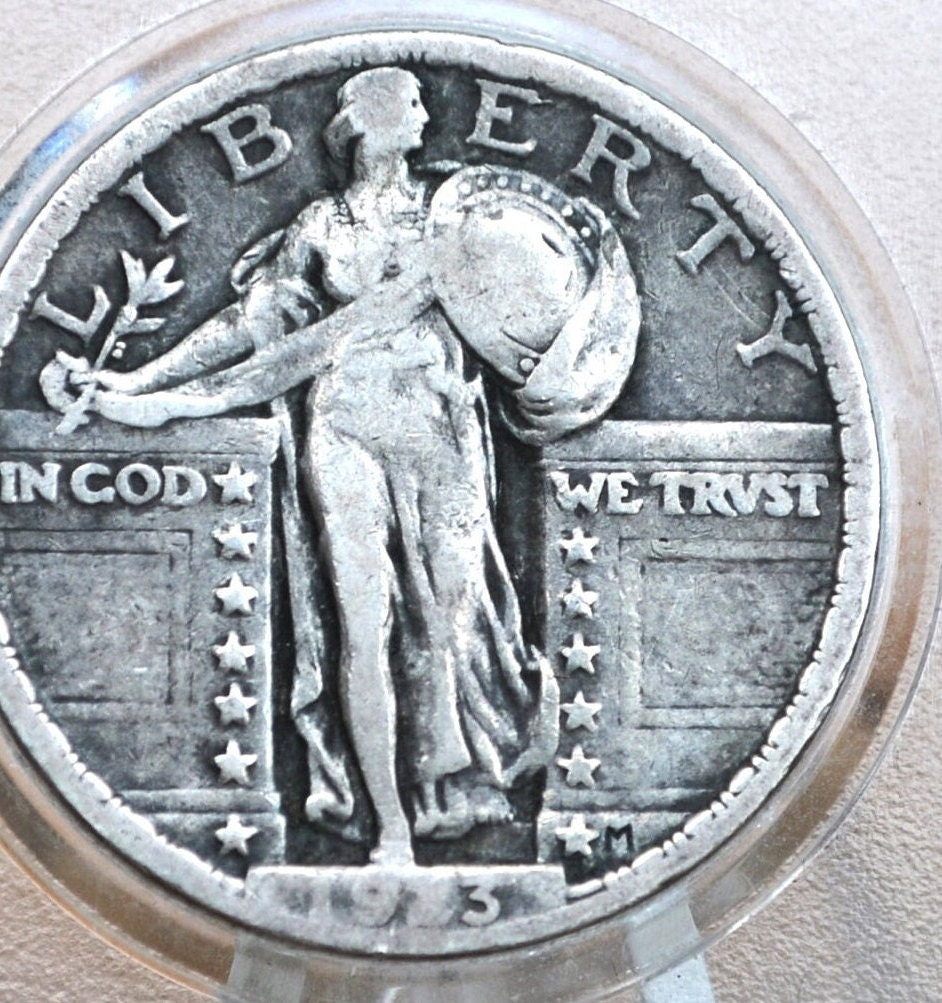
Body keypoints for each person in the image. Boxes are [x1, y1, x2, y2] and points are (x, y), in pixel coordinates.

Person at [48, 67, 634, 866]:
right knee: (363, 623)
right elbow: (251, 325)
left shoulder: (452, 219)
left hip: (438, 432)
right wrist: (132, 382)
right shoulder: (320, 224)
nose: (425, 113)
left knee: (456, 619)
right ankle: (389, 828)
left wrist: (170, 405)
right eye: (409, 101)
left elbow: (321, 341)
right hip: (344, 429)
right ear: (365, 120)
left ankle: (468, 778)